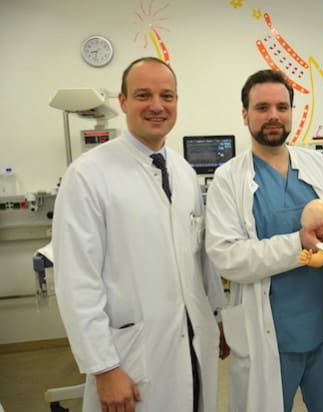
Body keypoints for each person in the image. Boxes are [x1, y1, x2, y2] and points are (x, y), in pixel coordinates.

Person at [52, 56, 228, 412]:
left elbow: (200, 259)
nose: (157, 106)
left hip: (194, 341)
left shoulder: (182, 170)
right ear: (123, 102)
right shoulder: (88, 175)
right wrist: (104, 367)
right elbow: (77, 282)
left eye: (167, 95)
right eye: (143, 95)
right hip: (131, 356)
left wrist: (218, 317)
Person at [205, 69, 323, 412]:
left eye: (282, 106)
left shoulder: (318, 165)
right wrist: (299, 244)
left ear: (292, 112)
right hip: (270, 332)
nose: (273, 115)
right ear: (245, 114)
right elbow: (228, 257)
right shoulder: (228, 179)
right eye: (262, 107)